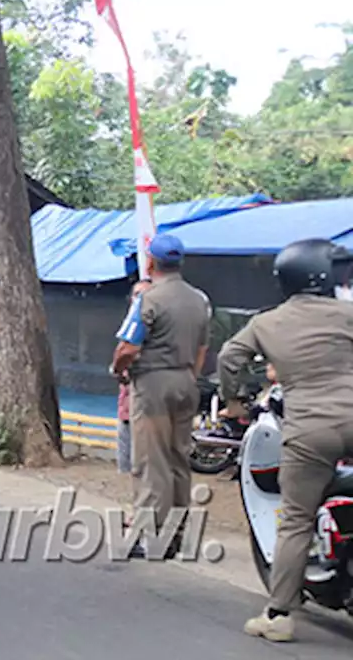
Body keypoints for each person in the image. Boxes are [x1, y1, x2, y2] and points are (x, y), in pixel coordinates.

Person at [218, 238, 353, 643]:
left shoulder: (266, 322)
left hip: (310, 430)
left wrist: (235, 403)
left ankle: (279, 616)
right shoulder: (347, 314)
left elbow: (229, 358)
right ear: (324, 275)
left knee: (295, 519)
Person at [110, 234, 211, 559]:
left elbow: (129, 347)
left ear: (151, 262)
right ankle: (178, 534)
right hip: (186, 381)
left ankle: (150, 537)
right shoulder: (199, 300)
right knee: (179, 458)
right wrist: (188, 378)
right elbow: (202, 349)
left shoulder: (149, 299)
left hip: (153, 384)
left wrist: (118, 368)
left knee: (151, 460)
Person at [117, 280, 151, 479]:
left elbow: (127, 351)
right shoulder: (129, 325)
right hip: (128, 400)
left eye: (144, 295)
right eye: (136, 295)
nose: (139, 299)